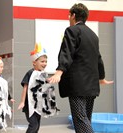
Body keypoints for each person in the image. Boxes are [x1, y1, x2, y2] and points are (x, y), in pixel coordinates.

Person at [47, 3, 114, 133]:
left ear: (73, 15)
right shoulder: (93, 35)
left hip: (78, 85)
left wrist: (59, 72)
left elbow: (67, 52)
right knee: (86, 118)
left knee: (80, 119)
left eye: (69, 15)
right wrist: (101, 77)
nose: (68, 18)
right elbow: (98, 58)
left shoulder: (71, 30)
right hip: (91, 85)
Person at [18, 43, 59, 133]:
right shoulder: (30, 73)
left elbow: (43, 85)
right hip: (29, 104)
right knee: (33, 125)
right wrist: (22, 101)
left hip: (38, 104)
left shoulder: (43, 73)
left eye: (45, 61)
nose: (45, 63)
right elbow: (25, 87)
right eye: (42, 61)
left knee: (37, 125)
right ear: (34, 62)